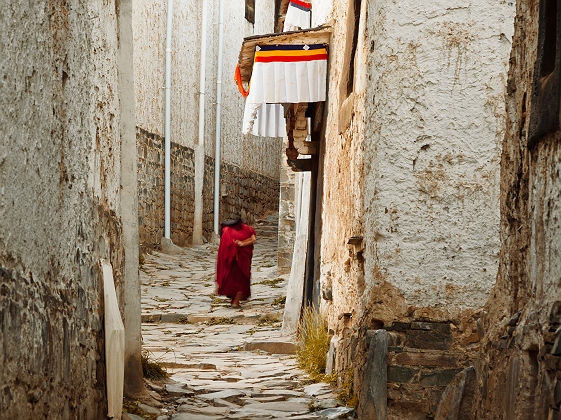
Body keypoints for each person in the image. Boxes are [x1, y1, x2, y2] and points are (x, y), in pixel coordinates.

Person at [215, 218, 256, 308]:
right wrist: (243, 243)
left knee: (234, 281)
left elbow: (225, 248)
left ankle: (235, 300)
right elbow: (253, 239)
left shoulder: (227, 231)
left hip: (232, 261)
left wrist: (241, 243)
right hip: (240, 261)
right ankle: (235, 301)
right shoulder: (247, 229)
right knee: (241, 281)